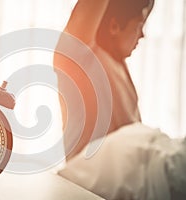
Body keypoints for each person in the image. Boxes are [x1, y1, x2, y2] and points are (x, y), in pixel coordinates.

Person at [54, 0, 155, 160]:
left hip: (128, 175)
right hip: (87, 181)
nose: (142, 35)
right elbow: (89, 9)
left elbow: (145, 5)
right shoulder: (80, 60)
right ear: (114, 26)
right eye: (138, 26)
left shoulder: (119, 64)